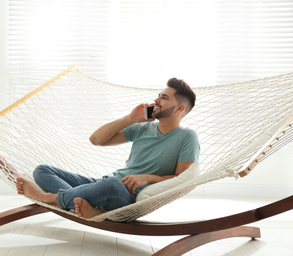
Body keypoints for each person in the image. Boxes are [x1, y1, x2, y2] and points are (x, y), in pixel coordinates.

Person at [16, 78, 199, 219]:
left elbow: (181, 180)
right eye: (159, 95)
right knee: (42, 171)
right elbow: (96, 139)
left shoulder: (187, 137)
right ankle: (88, 208)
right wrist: (130, 119)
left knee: (112, 184)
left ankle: (48, 198)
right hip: (104, 185)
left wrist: (148, 178)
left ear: (180, 108)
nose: (156, 100)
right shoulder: (142, 127)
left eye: (164, 98)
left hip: (125, 196)